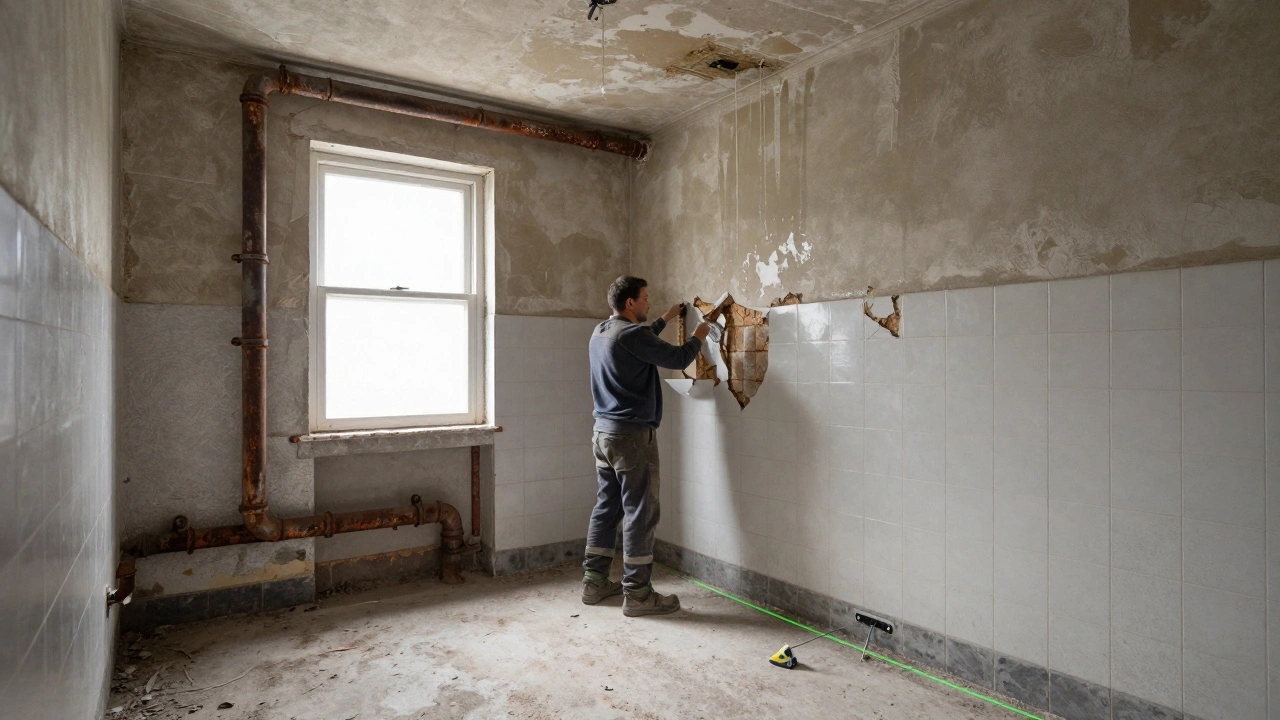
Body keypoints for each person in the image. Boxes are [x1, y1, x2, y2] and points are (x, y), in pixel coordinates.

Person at [580, 275, 711, 617]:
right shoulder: (632, 335)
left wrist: (665, 318)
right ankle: (638, 595)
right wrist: (700, 334)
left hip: (603, 435)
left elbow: (640, 339)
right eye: (645, 298)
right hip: (631, 439)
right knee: (641, 511)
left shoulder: (601, 332)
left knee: (607, 507)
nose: (649, 303)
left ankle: (593, 582)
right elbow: (679, 358)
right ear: (630, 303)